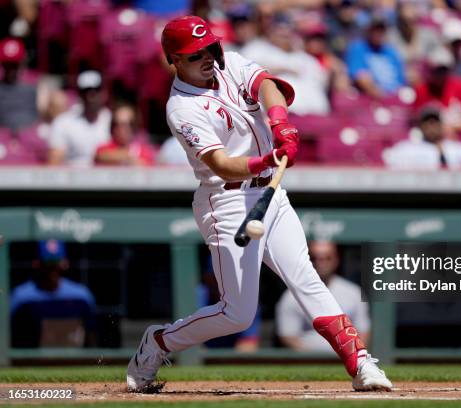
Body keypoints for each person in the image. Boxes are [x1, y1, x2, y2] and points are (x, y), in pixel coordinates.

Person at [126, 15, 392, 393]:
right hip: (227, 200)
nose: (207, 57)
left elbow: (267, 85)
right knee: (237, 314)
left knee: (305, 276)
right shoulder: (180, 108)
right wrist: (265, 160)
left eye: (210, 48)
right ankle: (158, 342)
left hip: (271, 194)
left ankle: (361, 363)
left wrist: (280, 123)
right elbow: (219, 163)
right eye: (194, 54)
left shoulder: (230, 62)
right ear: (174, 60)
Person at [276, 241, 370, 351]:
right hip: (307, 360)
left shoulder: (353, 292)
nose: (321, 263)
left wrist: (351, 355)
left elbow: (363, 331)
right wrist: (311, 356)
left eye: (327, 258)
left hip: (346, 358)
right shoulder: (292, 295)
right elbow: (287, 335)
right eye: (315, 258)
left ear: (336, 260)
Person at [10, 240, 96, 348]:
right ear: (37, 264)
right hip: (31, 360)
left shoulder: (81, 296)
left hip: (72, 357)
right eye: (48, 265)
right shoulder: (21, 297)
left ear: (65, 264)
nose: (53, 270)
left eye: (56, 264)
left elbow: (92, 334)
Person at [241, 14, 330, 116]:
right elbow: (246, 75)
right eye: (279, 30)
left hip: (317, 115)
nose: (284, 34)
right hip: (283, 115)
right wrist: (280, 69)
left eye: (287, 31)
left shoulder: (306, 58)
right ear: (270, 31)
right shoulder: (257, 49)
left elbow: (323, 81)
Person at [412, 47, 461, 136]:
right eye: (437, 70)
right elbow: (418, 121)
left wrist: (453, 128)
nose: (440, 74)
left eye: (444, 70)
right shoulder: (421, 90)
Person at [382, 106, 461, 170]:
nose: (431, 127)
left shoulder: (459, 149)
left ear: (442, 125)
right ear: (420, 126)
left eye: (435, 122)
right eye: (427, 123)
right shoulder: (407, 149)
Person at [48, 70, 111, 165]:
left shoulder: (113, 120)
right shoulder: (63, 122)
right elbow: (54, 161)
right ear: (79, 94)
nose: (91, 96)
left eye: (95, 90)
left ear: (103, 92)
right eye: (86, 91)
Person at [345, 17, 405, 99]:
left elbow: (402, 79)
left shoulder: (391, 51)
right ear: (368, 31)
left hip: (396, 96)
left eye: (381, 30)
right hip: (370, 99)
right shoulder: (358, 48)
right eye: (375, 30)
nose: (378, 33)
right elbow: (361, 78)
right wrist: (384, 98)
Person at [0, 37, 38, 130]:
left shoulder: (35, 83)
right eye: (7, 64)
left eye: (15, 64)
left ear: (22, 62)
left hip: (30, 134)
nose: (11, 69)